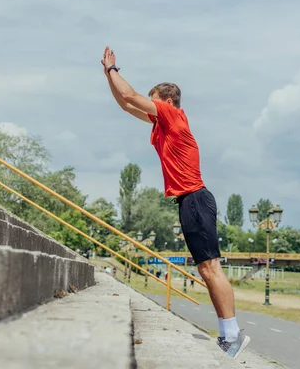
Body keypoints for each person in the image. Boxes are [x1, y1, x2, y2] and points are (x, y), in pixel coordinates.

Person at [101, 46, 250, 359]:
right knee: (206, 269)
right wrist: (107, 75)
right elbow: (126, 105)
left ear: (167, 102)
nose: (151, 107)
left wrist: (114, 69)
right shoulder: (161, 125)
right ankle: (228, 336)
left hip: (195, 198)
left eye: (154, 101)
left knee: (210, 268)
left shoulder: (173, 114)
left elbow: (130, 96)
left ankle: (232, 335)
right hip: (189, 201)